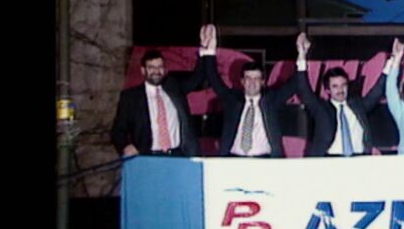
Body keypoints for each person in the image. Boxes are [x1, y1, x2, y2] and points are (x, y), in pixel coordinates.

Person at [110, 28, 213, 157]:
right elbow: (118, 130)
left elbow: (197, 78)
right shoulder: (131, 97)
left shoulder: (174, 87)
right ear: (143, 70)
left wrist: (204, 50)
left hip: (178, 155)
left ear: (165, 70)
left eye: (160, 67)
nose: (156, 71)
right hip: (148, 157)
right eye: (151, 67)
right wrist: (125, 146)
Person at [201, 24, 298, 157]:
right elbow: (214, 79)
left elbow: (293, 85)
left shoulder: (272, 101)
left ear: (263, 81)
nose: (252, 83)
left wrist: (302, 55)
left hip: (264, 161)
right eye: (248, 78)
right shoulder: (232, 100)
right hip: (233, 160)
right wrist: (210, 50)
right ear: (242, 81)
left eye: (256, 78)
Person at [294, 33, 388, 157]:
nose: (340, 90)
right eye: (335, 86)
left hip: (359, 159)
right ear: (327, 90)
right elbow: (304, 91)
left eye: (343, 85)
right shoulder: (322, 109)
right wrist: (302, 55)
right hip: (331, 161)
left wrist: (392, 63)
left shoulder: (358, 105)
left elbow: (377, 92)